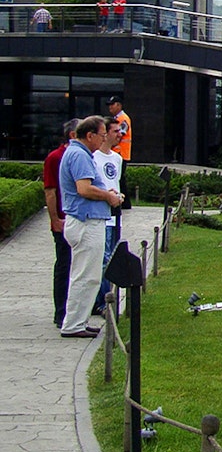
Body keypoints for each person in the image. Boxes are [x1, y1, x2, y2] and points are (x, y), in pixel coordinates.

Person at [58, 116, 123, 338]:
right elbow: (84, 189)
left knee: (89, 275)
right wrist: (108, 197)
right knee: (86, 276)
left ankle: (79, 321)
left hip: (87, 220)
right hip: (86, 221)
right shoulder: (79, 155)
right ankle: (73, 324)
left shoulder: (79, 153)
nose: (104, 139)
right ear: (90, 135)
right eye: (102, 135)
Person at [43, 118, 79, 328]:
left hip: (78, 219)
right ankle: (61, 312)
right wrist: (55, 218)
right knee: (64, 265)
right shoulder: (55, 158)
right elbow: (50, 190)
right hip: (63, 220)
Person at [92, 117, 122, 314]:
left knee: (113, 257)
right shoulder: (93, 158)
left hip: (115, 214)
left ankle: (108, 298)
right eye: (115, 131)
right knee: (103, 259)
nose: (119, 135)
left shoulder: (117, 158)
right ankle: (102, 302)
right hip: (100, 215)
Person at [107, 96, 132, 209]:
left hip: (121, 153)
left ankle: (125, 203)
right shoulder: (117, 118)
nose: (110, 107)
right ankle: (124, 203)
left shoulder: (123, 118)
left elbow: (120, 135)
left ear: (119, 105)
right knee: (119, 178)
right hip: (118, 153)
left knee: (120, 178)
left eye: (113, 104)